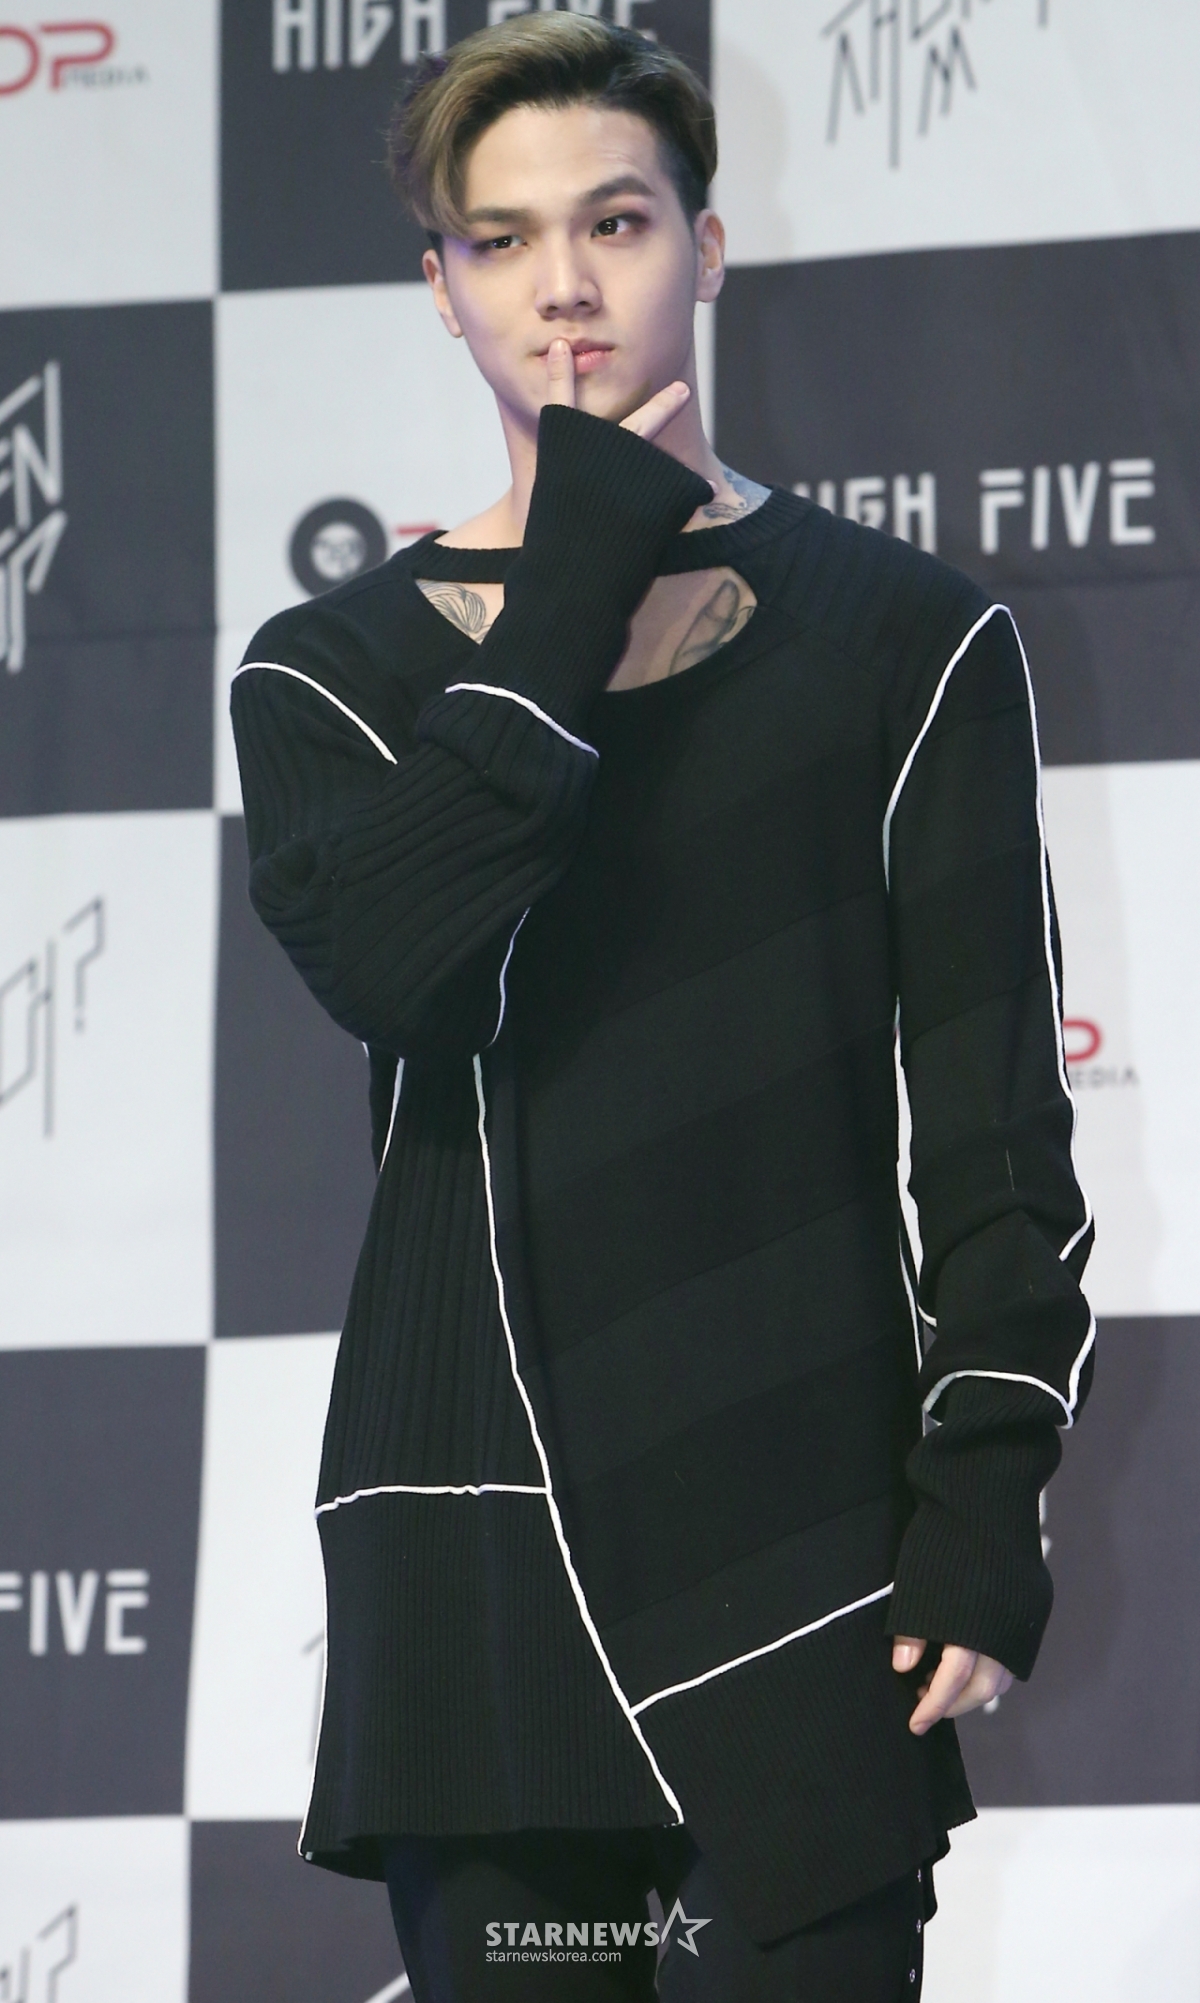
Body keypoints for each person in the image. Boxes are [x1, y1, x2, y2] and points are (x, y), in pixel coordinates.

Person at [230, 16, 1094, 2000]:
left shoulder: (906, 640)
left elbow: (996, 1133)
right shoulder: (331, 671)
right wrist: (588, 548)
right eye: (503, 239)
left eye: (614, 222)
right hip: (484, 1536)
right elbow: (410, 972)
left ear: (706, 246)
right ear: (440, 287)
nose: (563, 285)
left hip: (799, 1536)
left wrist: (985, 1494)